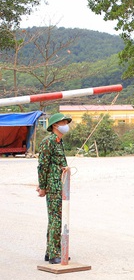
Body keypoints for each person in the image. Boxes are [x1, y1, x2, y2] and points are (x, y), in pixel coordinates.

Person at [36, 112, 72, 264]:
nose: (66, 126)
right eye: (63, 123)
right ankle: (54, 254)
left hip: (61, 185)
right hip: (53, 186)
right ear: (55, 125)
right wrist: (43, 186)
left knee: (57, 218)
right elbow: (42, 166)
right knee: (56, 219)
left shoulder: (58, 141)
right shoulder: (48, 141)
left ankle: (51, 251)